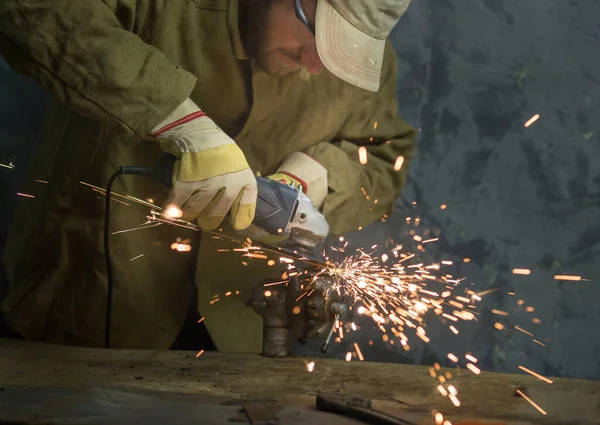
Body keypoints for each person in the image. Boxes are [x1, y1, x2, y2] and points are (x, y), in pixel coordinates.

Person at [0, 0, 416, 352]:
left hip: (240, 326)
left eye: (337, 50)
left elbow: (383, 158)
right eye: (314, 33)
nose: (314, 65)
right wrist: (176, 118)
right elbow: (37, 10)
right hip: (91, 296)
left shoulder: (361, 63)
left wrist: (315, 177)